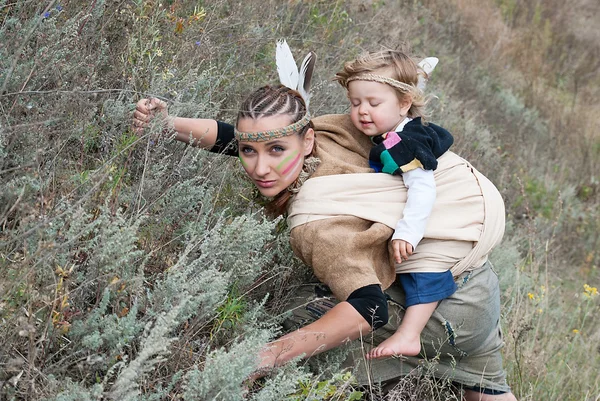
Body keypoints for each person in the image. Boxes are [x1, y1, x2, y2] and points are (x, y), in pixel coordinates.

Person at [132, 44, 517, 401]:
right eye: (249, 152)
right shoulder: (334, 131)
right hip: (478, 282)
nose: (259, 168)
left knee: (301, 311)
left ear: (307, 139)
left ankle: (391, 374)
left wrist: (263, 357)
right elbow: (240, 137)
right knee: (486, 388)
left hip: (447, 310)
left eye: (276, 151)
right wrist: (168, 124)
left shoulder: (316, 225)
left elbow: (370, 309)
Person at [334, 49, 457, 360]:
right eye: (355, 103)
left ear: (404, 104)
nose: (362, 111)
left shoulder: (405, 143)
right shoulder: (389, 134)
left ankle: (410, 334)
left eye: (374, 103)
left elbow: (423, 188)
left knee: (425, 268)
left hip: (437, 218)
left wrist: (407, 233)